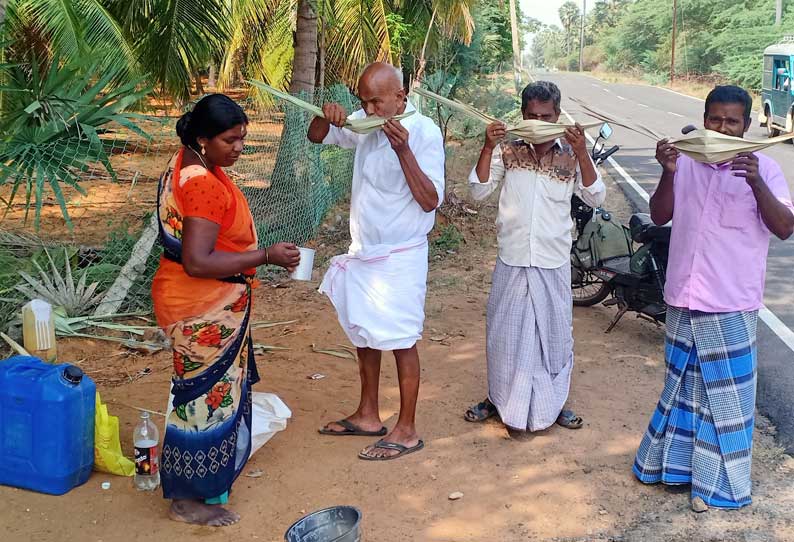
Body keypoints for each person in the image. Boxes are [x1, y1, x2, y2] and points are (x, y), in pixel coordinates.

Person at [633, 85, 794, 510]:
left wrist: (756, 181)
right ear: (704, 119)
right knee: (680, 389)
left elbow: (784, 227)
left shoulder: (768, 169)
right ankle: (672, 469)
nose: (722, 128)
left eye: (732, 122)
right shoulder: (685, 160)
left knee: (726, 399)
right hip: (684, 295)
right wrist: (667, 170)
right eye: (715, 120)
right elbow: (658, 214)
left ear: (747, 126)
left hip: (731, 302)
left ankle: (718, 486)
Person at [152, 94, 301, 526]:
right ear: (203, 138)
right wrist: (264, 256)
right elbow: (198, 261)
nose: (238, 148)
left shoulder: (191, 163)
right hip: (199, 306)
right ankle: (186, 500)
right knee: (199, 401)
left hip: (203, 303)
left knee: (202, 396)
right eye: (230, 141)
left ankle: (202, 483)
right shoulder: (201, 183)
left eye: (242, 139)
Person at [307, 62, 445, 460]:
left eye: (376, 102)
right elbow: (317, 137)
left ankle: (407, 428)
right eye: (362, 102)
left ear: (400, 97)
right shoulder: (365, 124)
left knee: (401, 339)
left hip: (401, 254)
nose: (367, 110)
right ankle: (368, 414)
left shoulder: (423, 133)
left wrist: (402, 150)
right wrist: (325, 115)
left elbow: (429, 199)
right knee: (364, 335)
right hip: (364, 250)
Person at [464, 81, 606, 433]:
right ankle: (498, 399)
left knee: (555, 336)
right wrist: (487, 145)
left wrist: (583, 153)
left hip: (552, 260)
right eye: (532, 116)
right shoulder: (508, 151)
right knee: (503, 335)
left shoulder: (571, 154)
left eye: (547, 116)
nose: (539, 122)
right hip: (512, 257)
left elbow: (596, 197)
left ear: (558, 115)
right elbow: (478, 189)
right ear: (522, 115)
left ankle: (554, 403)